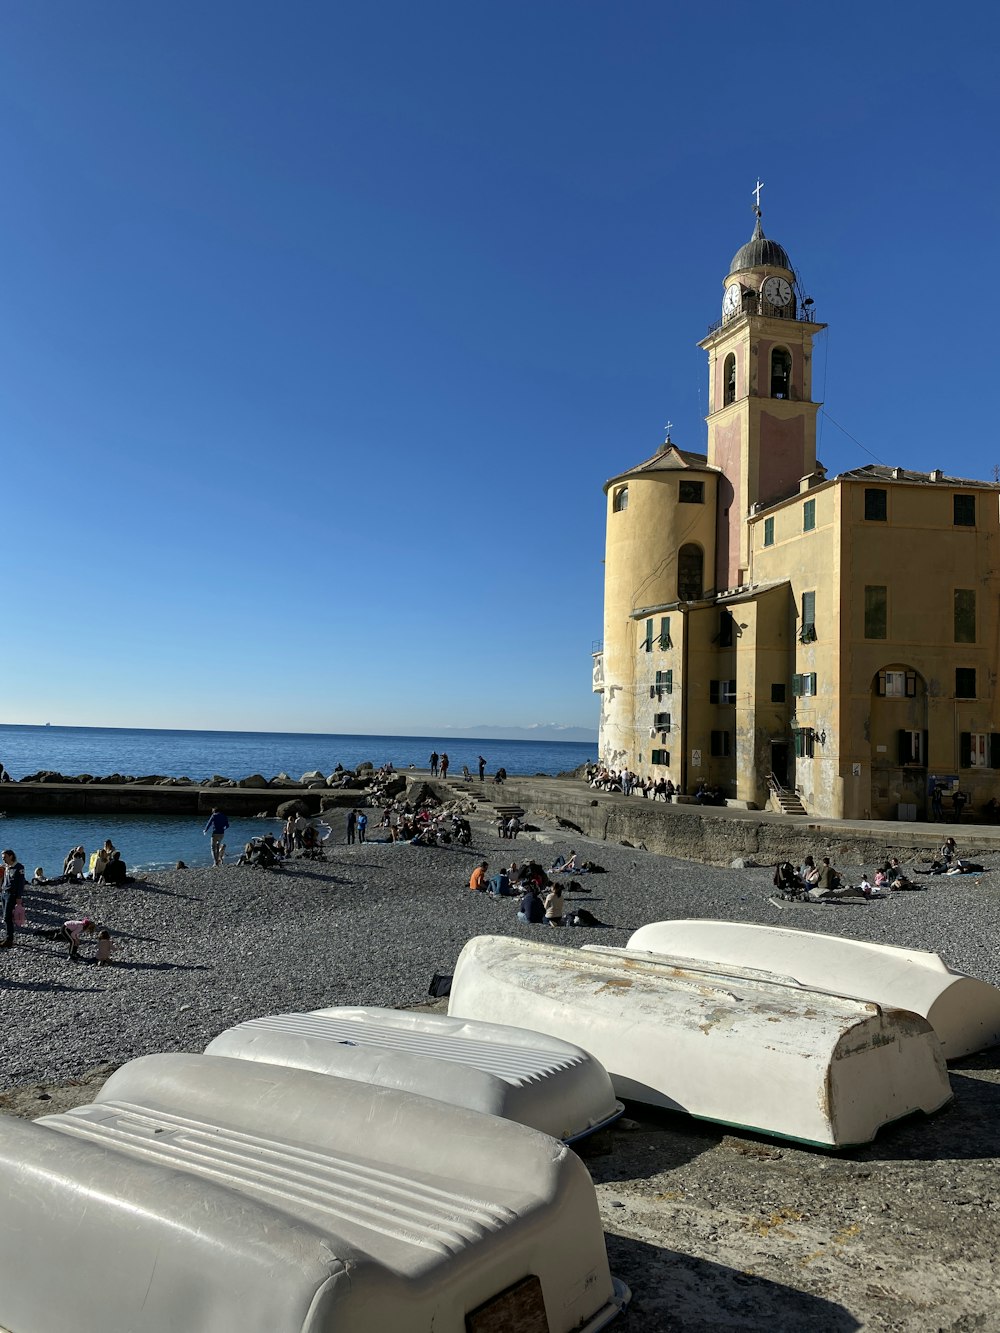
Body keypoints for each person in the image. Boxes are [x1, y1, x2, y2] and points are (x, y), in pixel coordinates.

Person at [1, 848, 26, 947]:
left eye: (5, 857)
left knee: (7, 917)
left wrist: (19, 896)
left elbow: (21, 883)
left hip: (12, 895)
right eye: (2, 857)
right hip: (4, 893)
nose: (3, 859)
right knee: (5, 916)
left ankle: (9, 939)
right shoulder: (7, 867)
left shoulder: (19, 867)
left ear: (11, 856)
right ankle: (7, 937)